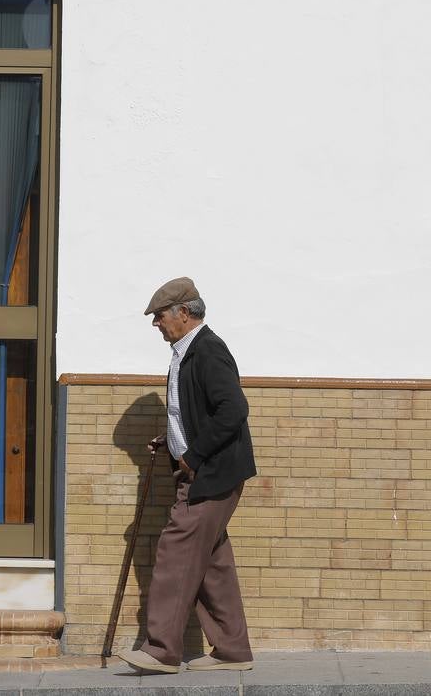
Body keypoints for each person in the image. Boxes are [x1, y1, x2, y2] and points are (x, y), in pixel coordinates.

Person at [117, 276, 258, 674]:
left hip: (211, 474)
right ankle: (233, 650)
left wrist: (192, 455)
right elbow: (195, 410)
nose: (155, 323)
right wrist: (173, 440)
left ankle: (162, 650)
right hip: (204, 470)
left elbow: (233, 410)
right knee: (212, 564)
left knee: (176, 552)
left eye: (159, 316)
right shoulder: (186, 352)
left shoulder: (208, 350)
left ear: (183, 313)